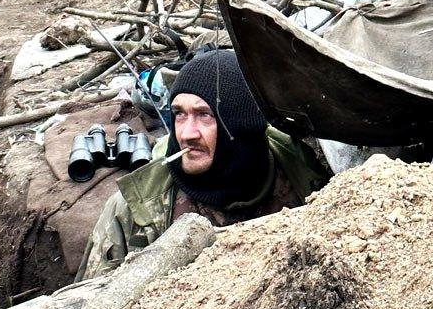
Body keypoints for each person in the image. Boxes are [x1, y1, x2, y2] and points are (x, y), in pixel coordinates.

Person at [75, 49, 329, 280]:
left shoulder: (307, 176)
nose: (186, 133)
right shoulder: (132, 210)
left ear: (239, 123)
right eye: (179, 114)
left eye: (204, 115)